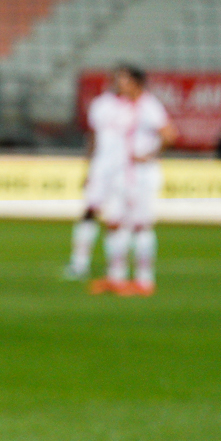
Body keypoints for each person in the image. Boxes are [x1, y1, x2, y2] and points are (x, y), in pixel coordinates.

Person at [93, 65, 175, 297]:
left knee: (141, 225)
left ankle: (144, 280)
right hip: (122, 174)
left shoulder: (149, 106)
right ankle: (115, 276)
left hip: (142, 176)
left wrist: (148, 156)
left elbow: (169, 134)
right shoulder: (124, 106)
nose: (119, 84)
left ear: (136, 83)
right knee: (114, 222)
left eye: (124, 80)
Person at [66, 73, 134, 281]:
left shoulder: (135, 106)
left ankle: (117, 269)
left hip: (123, 169)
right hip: (101, 167)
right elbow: (93, 136)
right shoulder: (100, 105)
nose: (120, 83)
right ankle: (79, 263)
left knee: (117, 219)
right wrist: (88, 168)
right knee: (89, 211)